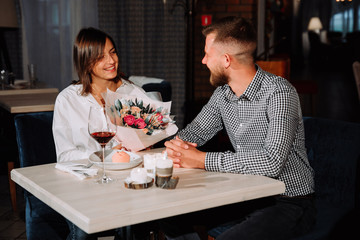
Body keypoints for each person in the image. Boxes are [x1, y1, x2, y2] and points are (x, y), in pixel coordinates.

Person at [162, 16, 316, 240]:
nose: (204, 61)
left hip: (289, 201)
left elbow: (271, 162)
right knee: (169, 215)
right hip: (245, 194)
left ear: (226, 60)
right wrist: (176, 146)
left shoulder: (280, 93)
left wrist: (202, 160)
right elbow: (195, 133)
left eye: (207, 54)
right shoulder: (222, 94)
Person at [53, 27, 155, 240]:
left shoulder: (133, 93)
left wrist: (146, 142)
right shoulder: (69, 100)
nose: (111, 61)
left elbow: (149, 143)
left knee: (134, 227)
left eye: (113, 52)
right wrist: (106, 154)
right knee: (82, 232)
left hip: (127, 183)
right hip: (85, 186)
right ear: (85, 62)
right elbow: (64, 156)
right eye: (100, 57)